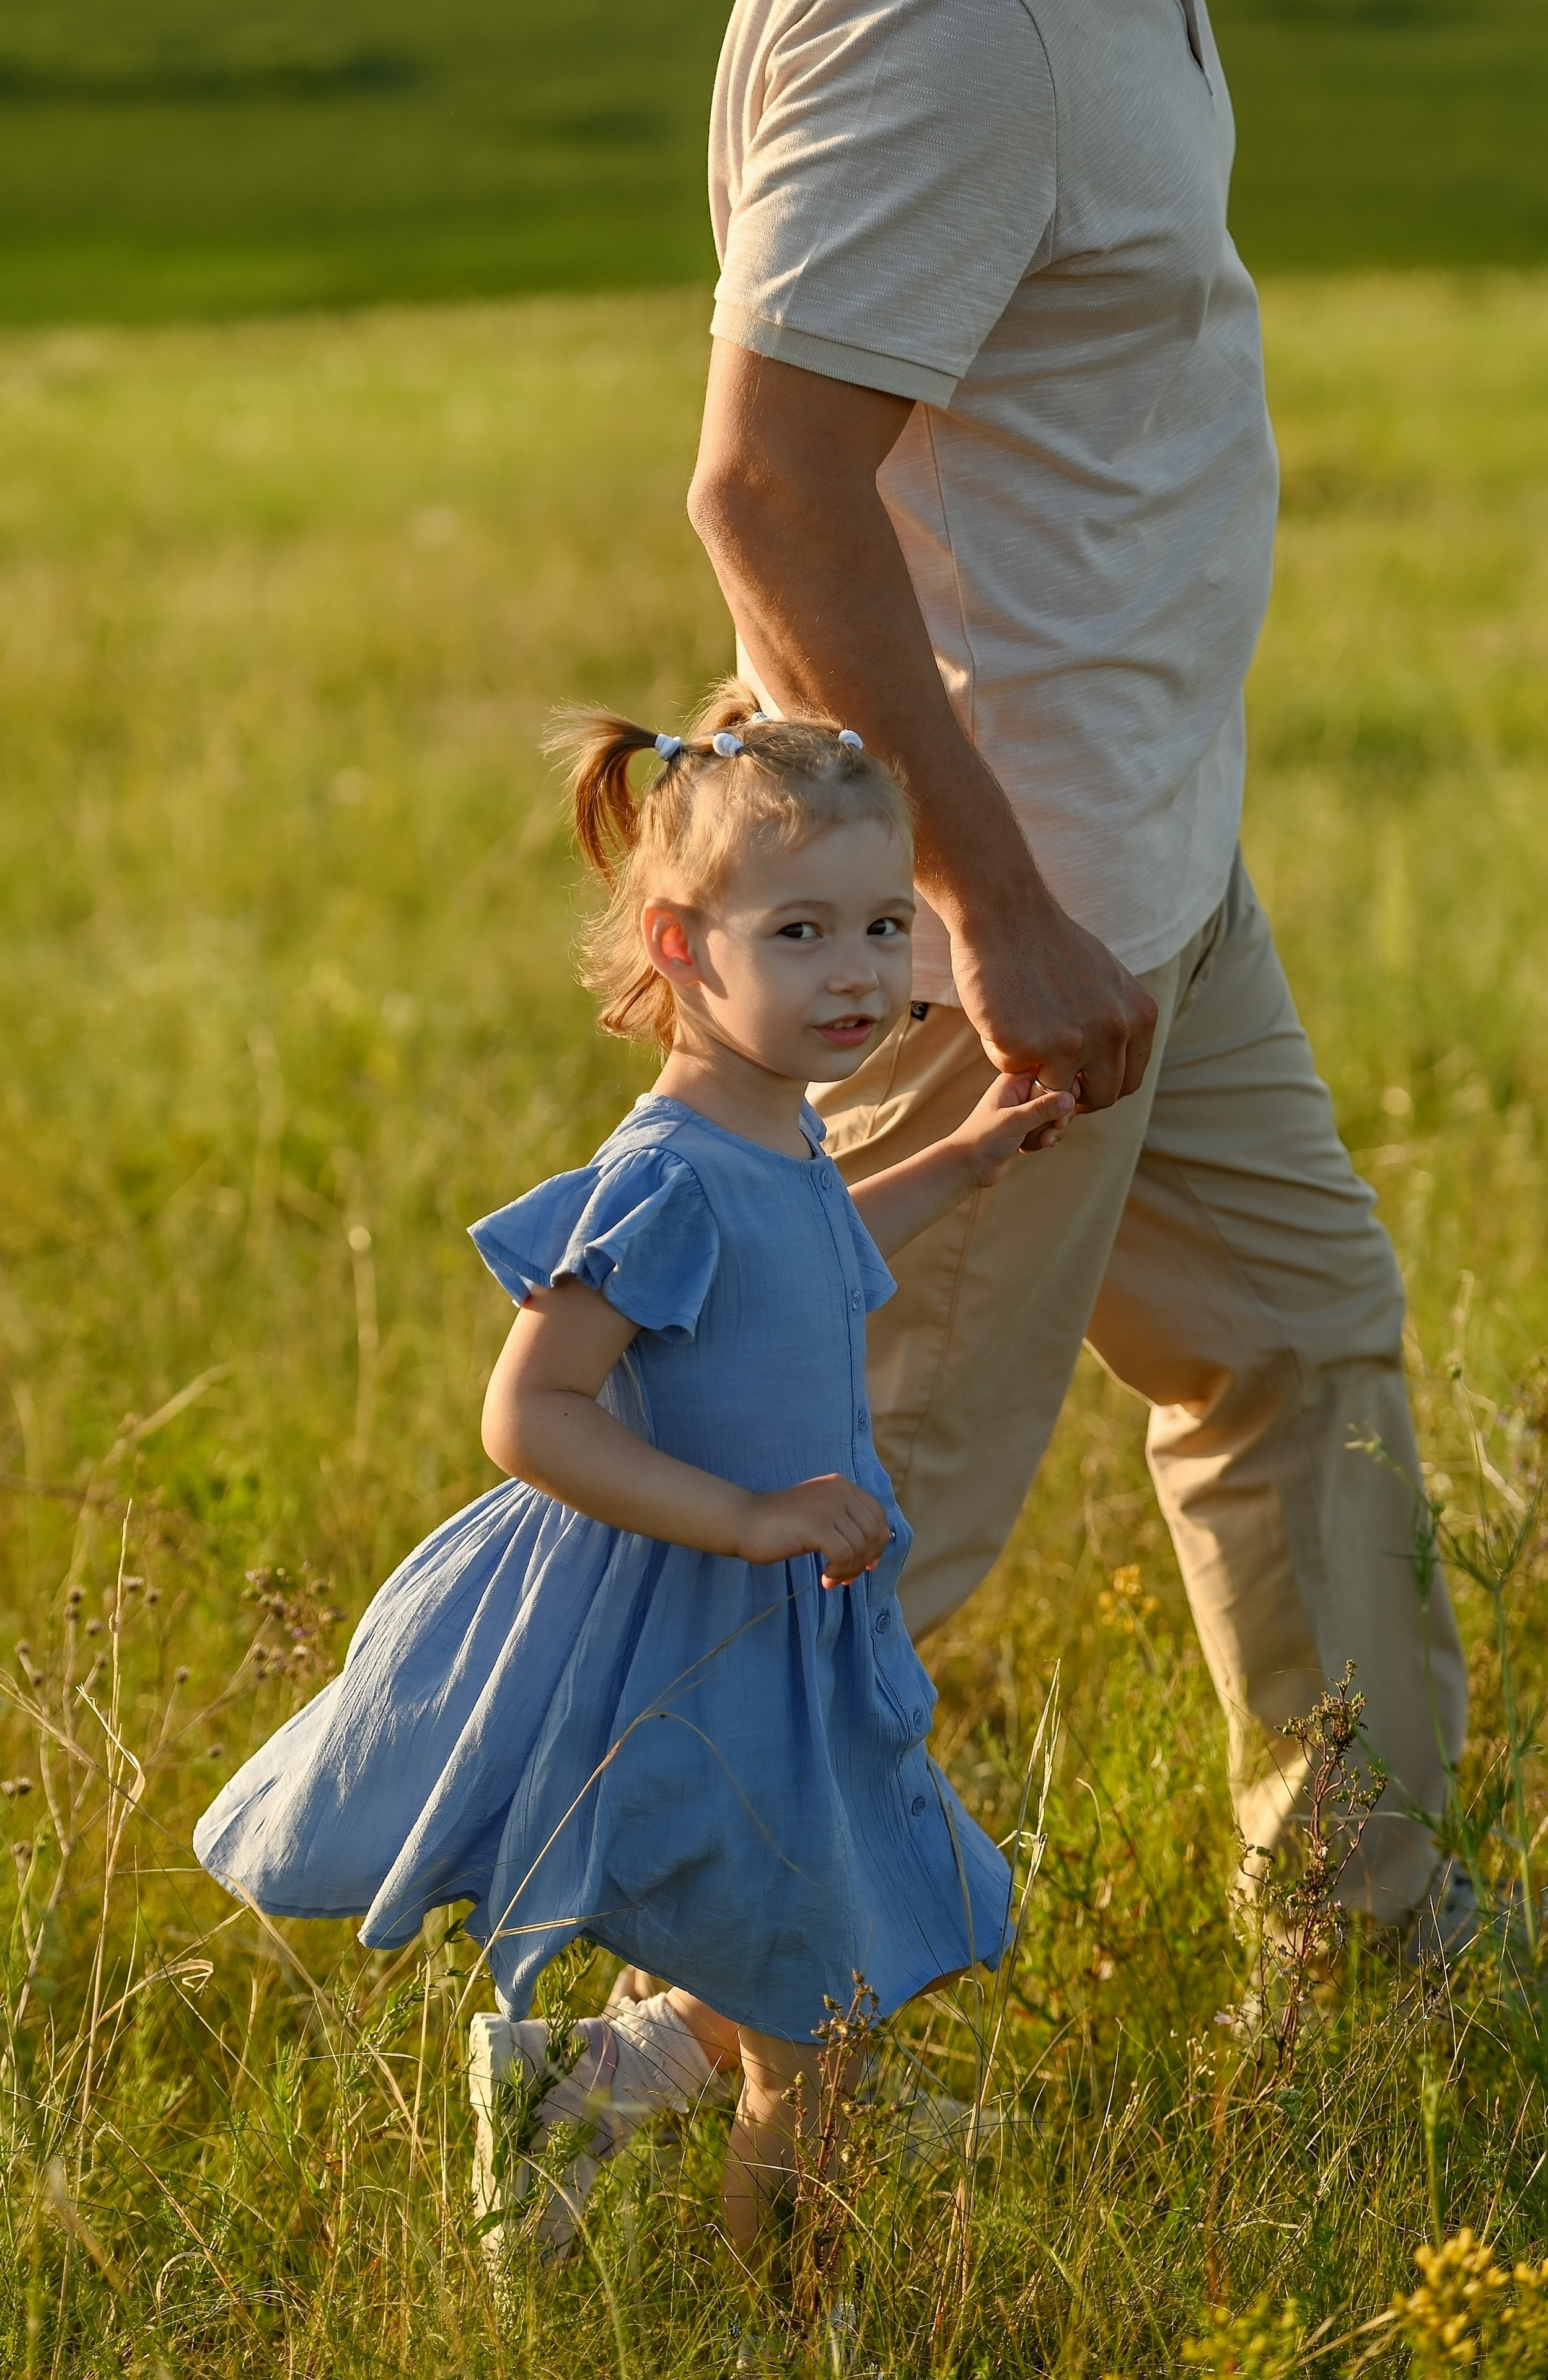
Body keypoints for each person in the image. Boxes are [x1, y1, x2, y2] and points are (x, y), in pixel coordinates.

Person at [685, 0, 1469, 1939]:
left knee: (1295, 1343)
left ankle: (1358, 1931)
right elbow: (770, 482)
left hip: (1144, 873)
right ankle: (618, 2080)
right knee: (862, 1509)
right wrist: (984, 901)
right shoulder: (964, 25)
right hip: (990, 935)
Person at [194, 690, 1073, 2255]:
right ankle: (783, 2327)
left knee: (802, 1953)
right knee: (825, 2019)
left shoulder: (778, 1143)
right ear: (680, 947)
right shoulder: (666, 1171)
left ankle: (588, 2085)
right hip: (694, 1622)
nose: (860, 970)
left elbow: (803, 1264)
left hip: (777, 1624)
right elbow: (529, 1415)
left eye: (883, 924)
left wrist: (959, 1160)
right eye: (800, 932)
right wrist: (742, 1516)